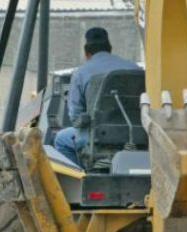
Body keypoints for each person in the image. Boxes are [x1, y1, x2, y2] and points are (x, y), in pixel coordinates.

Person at [53, 27, 141, 165]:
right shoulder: (135, 68)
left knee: (61, 139)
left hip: (98, 138)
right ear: (110, 48)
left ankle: (80, 179)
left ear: (86, 53)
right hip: (137, 135)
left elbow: (75, 116)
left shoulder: (81, 73)